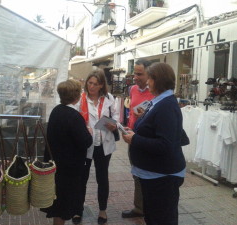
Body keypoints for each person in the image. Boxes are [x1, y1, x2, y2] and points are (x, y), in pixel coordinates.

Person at [122, 62, 186, 225]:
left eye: (149, 79)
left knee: (162, 219)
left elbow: (165, 145)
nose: (147, 82)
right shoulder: (160, 102)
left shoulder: (166, 106)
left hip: (162, 177)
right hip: (155, 176)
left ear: (158, 80)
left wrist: (134, 139)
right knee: (153, 217)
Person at [43, 79, 93, 225]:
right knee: (63, 206)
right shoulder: (74, 116)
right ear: (77, 96)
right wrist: (88, 133)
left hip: (56, 165)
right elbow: (85, 142)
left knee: (58, 202)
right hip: (69, 169)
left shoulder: (56, 111)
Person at [73, 69, 119, 225]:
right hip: (85, 144)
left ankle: (103, 210)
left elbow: (116, 118)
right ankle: (78, 210)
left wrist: (114, 126)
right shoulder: (80, 99)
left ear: (101, 85)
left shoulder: (109, 98)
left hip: (103, 144)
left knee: (102, 178)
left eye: (95, 84)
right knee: (81, 178)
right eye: (89, 83)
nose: (91, 86)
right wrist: (82, 127)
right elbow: (74, 119)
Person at [122, 59, 154, 218]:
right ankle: (139, 208)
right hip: (133, 137)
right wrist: (128, 126)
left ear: (149, 74)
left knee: (148, 173)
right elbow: (131, 114)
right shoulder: (133, 89)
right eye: (135, 73)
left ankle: (149, 208)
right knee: (136, 173)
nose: (135, 77)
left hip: (147, 140)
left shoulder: (156, 92)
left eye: (139, 74)